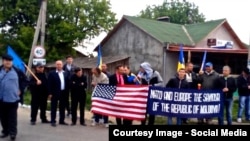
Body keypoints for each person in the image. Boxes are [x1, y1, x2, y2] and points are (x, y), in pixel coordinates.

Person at [0, 54, 20, 141]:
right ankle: (5, 131)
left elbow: (25, 80)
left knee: (12, 118)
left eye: (10, 61)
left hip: (12, 99)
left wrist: (21, 90)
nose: (8, 62)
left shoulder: (17, 71)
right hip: (1, 99)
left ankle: (12, 133)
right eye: (6, 60)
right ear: (3, 61)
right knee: (3, 117)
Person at [48, 60, 69, 127]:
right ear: (55, 65)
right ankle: (53, 121)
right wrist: (50, 93)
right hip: (54, 93)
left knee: (62, 107)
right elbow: (49, 84)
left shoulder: (65, 73)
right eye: (57, 64)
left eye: (60, 64)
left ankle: (61, 120)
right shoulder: (52, 73)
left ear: (62, 65)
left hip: (63, 92)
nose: (59, 66)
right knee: (54, 107)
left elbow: (67, 83)